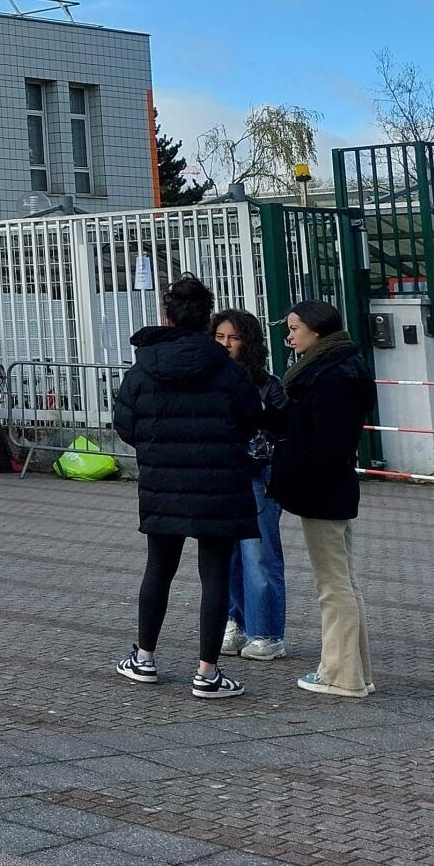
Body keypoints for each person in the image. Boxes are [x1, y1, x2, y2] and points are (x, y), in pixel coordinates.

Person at [111, 274, 262, 700]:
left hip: (163, 481)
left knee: (159, 567)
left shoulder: (145, 367)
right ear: (207, 319)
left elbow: (124, 423)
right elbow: (251, 418)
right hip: (220, 482)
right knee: (214, 574)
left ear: (166, 316)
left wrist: (157, 447)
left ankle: (144, 658)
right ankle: (207, 672)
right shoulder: (228, 369)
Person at [269, 299, 378, 698]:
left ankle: (341, 676)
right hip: (333, 485)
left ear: (316, 331)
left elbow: (327, 440)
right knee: (344, 582)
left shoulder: (330, 374)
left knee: (333, 585)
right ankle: (355, 672)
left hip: (324, 488)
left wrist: (292, 470)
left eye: (295, 328)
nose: (290, 336)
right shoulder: (342, 366)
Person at [212, 308, 289, 661]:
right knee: (226, 554)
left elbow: (281, 426)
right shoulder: (209, 377)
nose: (226, 344)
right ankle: (236, 622)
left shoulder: (268, 384)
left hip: (258, 472)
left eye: (234, 338)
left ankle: (268, 631)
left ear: (249, 342)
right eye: (220, 337)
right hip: (222, 473)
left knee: (258, 554)